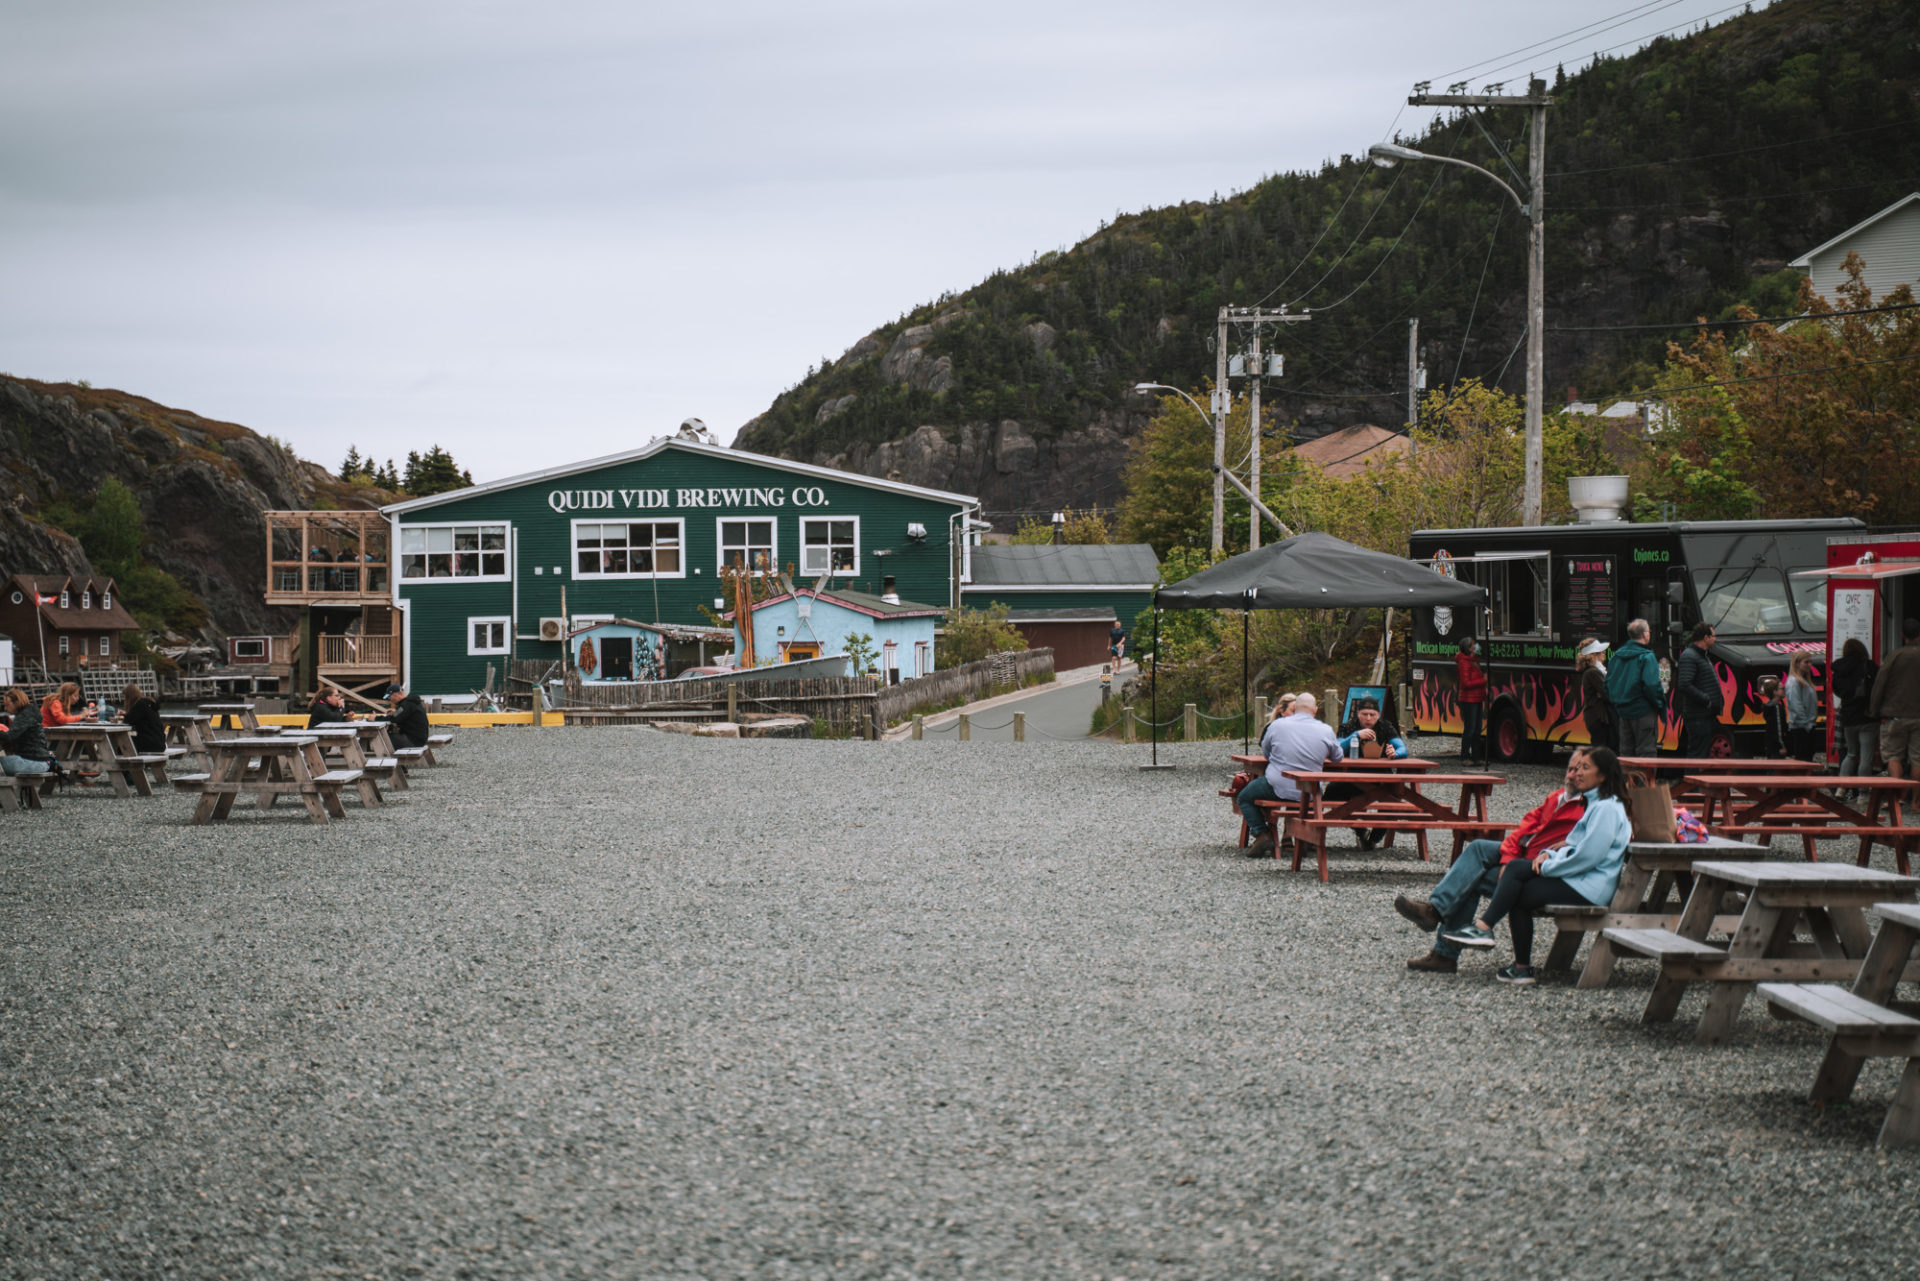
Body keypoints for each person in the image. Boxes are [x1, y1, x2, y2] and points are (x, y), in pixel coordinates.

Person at [1441, 746, 1632, 984]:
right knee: (1517, 874)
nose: (1578, 773)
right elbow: (1569, 845)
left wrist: (1547, 866)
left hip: (1591, 887)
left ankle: (1489, 933)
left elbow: (1587, 857)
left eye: (1585, 767)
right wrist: (1547, 856)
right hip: (1581, 880)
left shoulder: (1606, 809)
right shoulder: (1596, 803)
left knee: (1518, 885)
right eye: (1576, 767)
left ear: (1602, 775)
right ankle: (1502, 948)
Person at [1396, 747, 1597, 973]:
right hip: (1523, 859)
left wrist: (1566, 847)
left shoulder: (1589, 806)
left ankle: (1443, 948)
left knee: (1472, 879)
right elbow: (1522, 830)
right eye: (1570, 768)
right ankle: (1436, 913)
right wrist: (1507, 861)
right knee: (1479, 848)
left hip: (1540, 871)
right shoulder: (1557, 797)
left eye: (1579, 769)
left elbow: (1600, 840)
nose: (1573, 774)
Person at [1237, 693, 1343, 859]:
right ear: (1315, 710)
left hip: (1277, 785)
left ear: (1297, 708)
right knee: (1314, 797)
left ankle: (1262, 834)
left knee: (1244, 797)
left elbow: (1266, 751)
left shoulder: (1277, 725)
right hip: (1310, 791)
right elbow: (1337, 757)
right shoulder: (1326, 730)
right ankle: (1307, 836)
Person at [1606, 619, 1666, 758]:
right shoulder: (1647, 657)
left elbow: (1608, 683)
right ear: (1645, 635)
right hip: (1643, 711)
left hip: (1623, 711)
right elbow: (1651, 685)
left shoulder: (1617, 655)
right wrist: (1659, 703)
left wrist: (1617, 701)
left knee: (1626, 753)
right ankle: (1644, 781)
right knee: (1646, 753)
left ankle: (1627, 780)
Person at [1869, 617, 1920, 781]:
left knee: (1893, 757)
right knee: (1917, 759)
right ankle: (1916, 803)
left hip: (1895, 716)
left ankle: (1897, 799)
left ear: (1902, 635)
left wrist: (1874, 711)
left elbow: (1879, 685)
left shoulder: (1894, 656)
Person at [1830, 637, 1879, 790]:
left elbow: (1836, 690)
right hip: (1867, 717)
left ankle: (1841, 789)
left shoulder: (1838, 669)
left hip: (1848, 717)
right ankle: (1863, 793)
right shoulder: (1869, 666)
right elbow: (1878, 688)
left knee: (1851, 754)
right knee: (1866, 757)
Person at [1674, 622, 1721, 758]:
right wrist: (1706, 700)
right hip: (1698, 716)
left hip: (1704, 715)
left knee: (1701, 754)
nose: (1715, 639)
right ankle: (1692, 778)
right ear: (1706, 637)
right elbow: (1684, 684)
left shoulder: (1700, 655)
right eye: (1713, 636)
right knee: (1697, 755)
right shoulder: (1691, 656)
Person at [2, 687, 57, 778]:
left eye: (7, 705)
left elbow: (10, 736)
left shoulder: (24, 715)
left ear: (16, 702)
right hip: (41, 762)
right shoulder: (29, 713)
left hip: (33, 763)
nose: (5, 708)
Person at [1577, 638, 1614, 753]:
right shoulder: (1593, 672)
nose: (1604, 653)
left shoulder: (1595, 671)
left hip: (1596, 716)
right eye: (1601, 652)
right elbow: (1608, 693)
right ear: (1594, 655)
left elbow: (1604, 693)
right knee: (1600, 750)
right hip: (1597, 717)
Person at [1455, 638, 1487, 765]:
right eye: (1474, 644)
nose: (1476, 646)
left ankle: (1476, 756)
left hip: (1477, 698)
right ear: (1469, 648)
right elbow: (1466, 683)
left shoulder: (1474, 660)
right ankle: (1464, 756)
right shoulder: (1464, 662)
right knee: (1470, 728)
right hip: (1468, 699)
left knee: (1477, 728)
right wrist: (1483, 681)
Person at [1783, 650, 1819, 762]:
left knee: (1807, 757)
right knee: (1803, 758)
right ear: (1797, 663)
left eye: (1810, 662)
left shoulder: (1804, 681)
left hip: (1807, 725)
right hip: (1801, 727)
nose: (1809, 665)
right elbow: (1796, 705)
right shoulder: (1794, 682)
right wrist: (1806, 724)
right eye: (1806, 662)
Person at [116, 682, 166, 756]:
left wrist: (125, 714)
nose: (124, 700)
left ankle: (123, 765)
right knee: (124, 743)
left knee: (122, 744)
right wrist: (127, 714)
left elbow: (127, 721)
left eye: (125, 697)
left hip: (151, 744)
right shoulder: (148, 703)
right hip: (160, 743)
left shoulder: (140, 705)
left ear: (129, 697)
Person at [384, 683, 431, 750]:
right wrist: (395, 712)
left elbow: (394, 719)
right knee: (387, 737)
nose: (390, 699)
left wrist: (375, 718)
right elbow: (399, 715)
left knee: (382, 738)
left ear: (396, 694)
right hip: (419, 740)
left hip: (413, 741)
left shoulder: (406, 705)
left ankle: (386, 759)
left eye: (389, 697)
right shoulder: (410, 702)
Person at [1755, 675, 1789, 760]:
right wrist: (1782, 745)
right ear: (1775, 692)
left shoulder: (1768, 707)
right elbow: (1778, 728)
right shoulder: (1776, 707)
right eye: (1781, 689)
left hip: (1770, 744)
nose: (1784, 691)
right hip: (1777, 746)